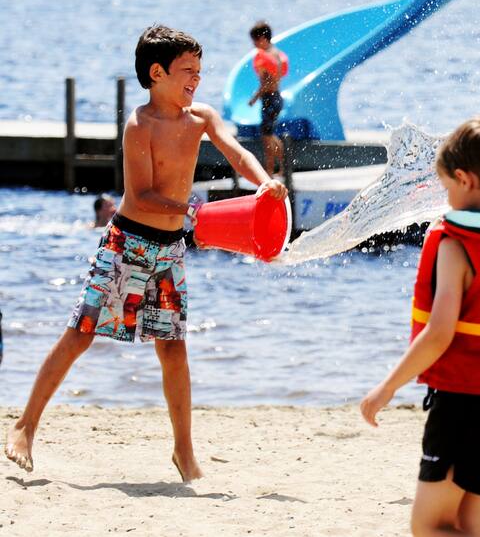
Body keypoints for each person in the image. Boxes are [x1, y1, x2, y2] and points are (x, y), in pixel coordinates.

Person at [5, 25, 287, 482]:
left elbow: (237, 154)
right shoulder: (140, 125)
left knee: (173, 349)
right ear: (157, 73)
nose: (196, 78)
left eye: (199, 70)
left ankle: (184, 451)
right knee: (80, 334)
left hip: (169, 251)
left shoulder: (201, 117)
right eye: (187, 70)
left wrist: (265, 183)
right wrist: (192, 211)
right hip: (127, 244)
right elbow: (142, 195)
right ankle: (25, 426)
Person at [360, 116, 480, 537]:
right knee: (470, 521)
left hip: (464, 400)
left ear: (465, 179)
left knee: (429, 525)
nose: (446, 196)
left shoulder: (456, 245)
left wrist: (387, 387)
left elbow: (438, 334)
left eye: (447, 186)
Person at [247, 21, 289, 178]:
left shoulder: (266, 57)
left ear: (263, 38)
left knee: (267, 138)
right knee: (270, 135)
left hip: (270, 99)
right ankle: (282, 168)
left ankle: (270, 172)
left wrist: (254, 98)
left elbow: (267, 83)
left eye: (255, 41)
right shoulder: (276, 54)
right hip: (276, 97)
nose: (254, 45)